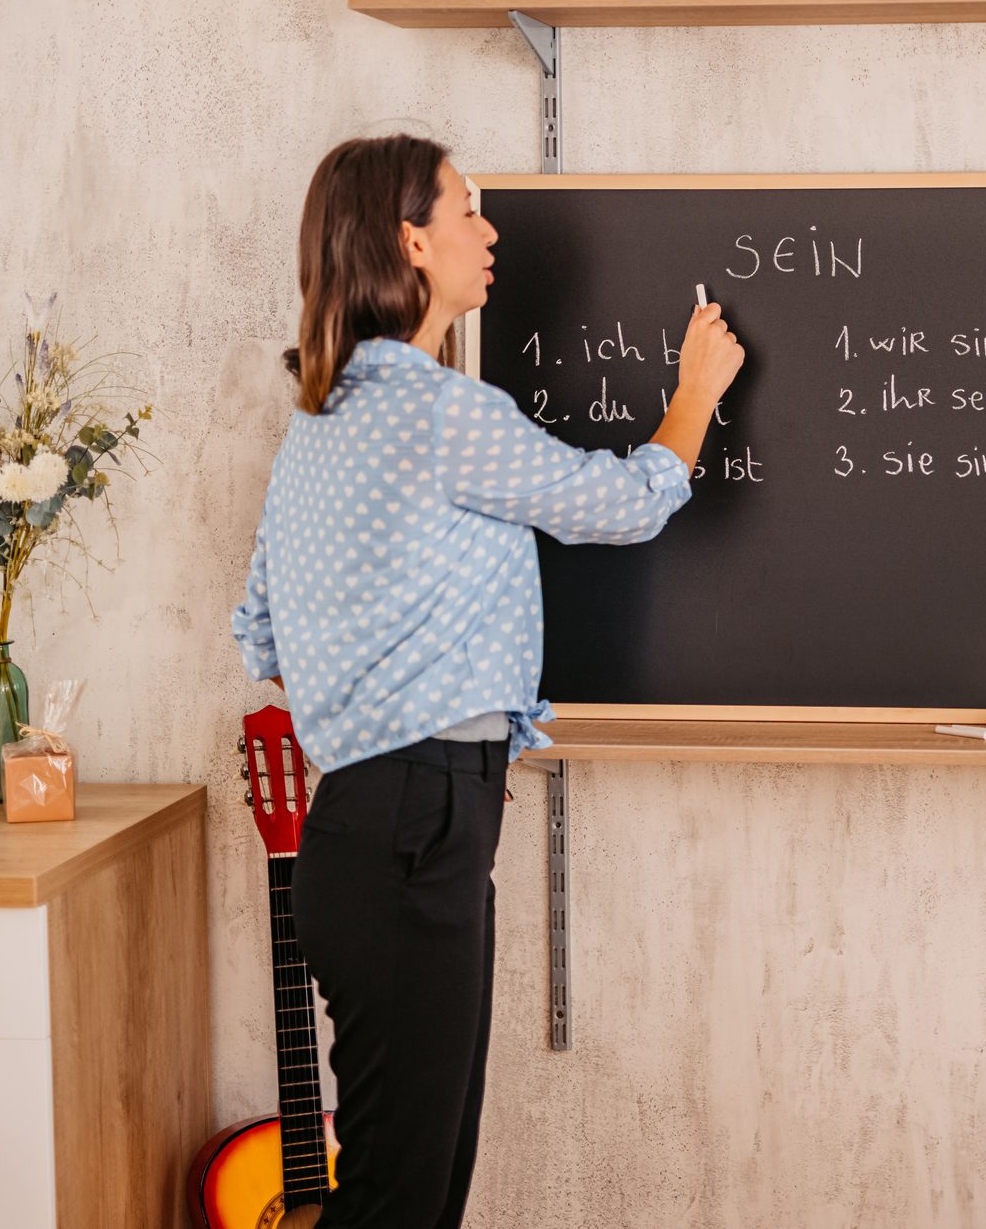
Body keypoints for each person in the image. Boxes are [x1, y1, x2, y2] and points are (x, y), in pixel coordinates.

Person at [229, 133, 743, 1228]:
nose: (490, 229)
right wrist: (696, 390)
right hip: (418, 826)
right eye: (468, 208)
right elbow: (624, 504)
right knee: (404, 1198)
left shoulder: (318, 422)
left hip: (362, 832)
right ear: (412, 239)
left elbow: (259, 628)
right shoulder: (437, 412)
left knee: (391, 1182)